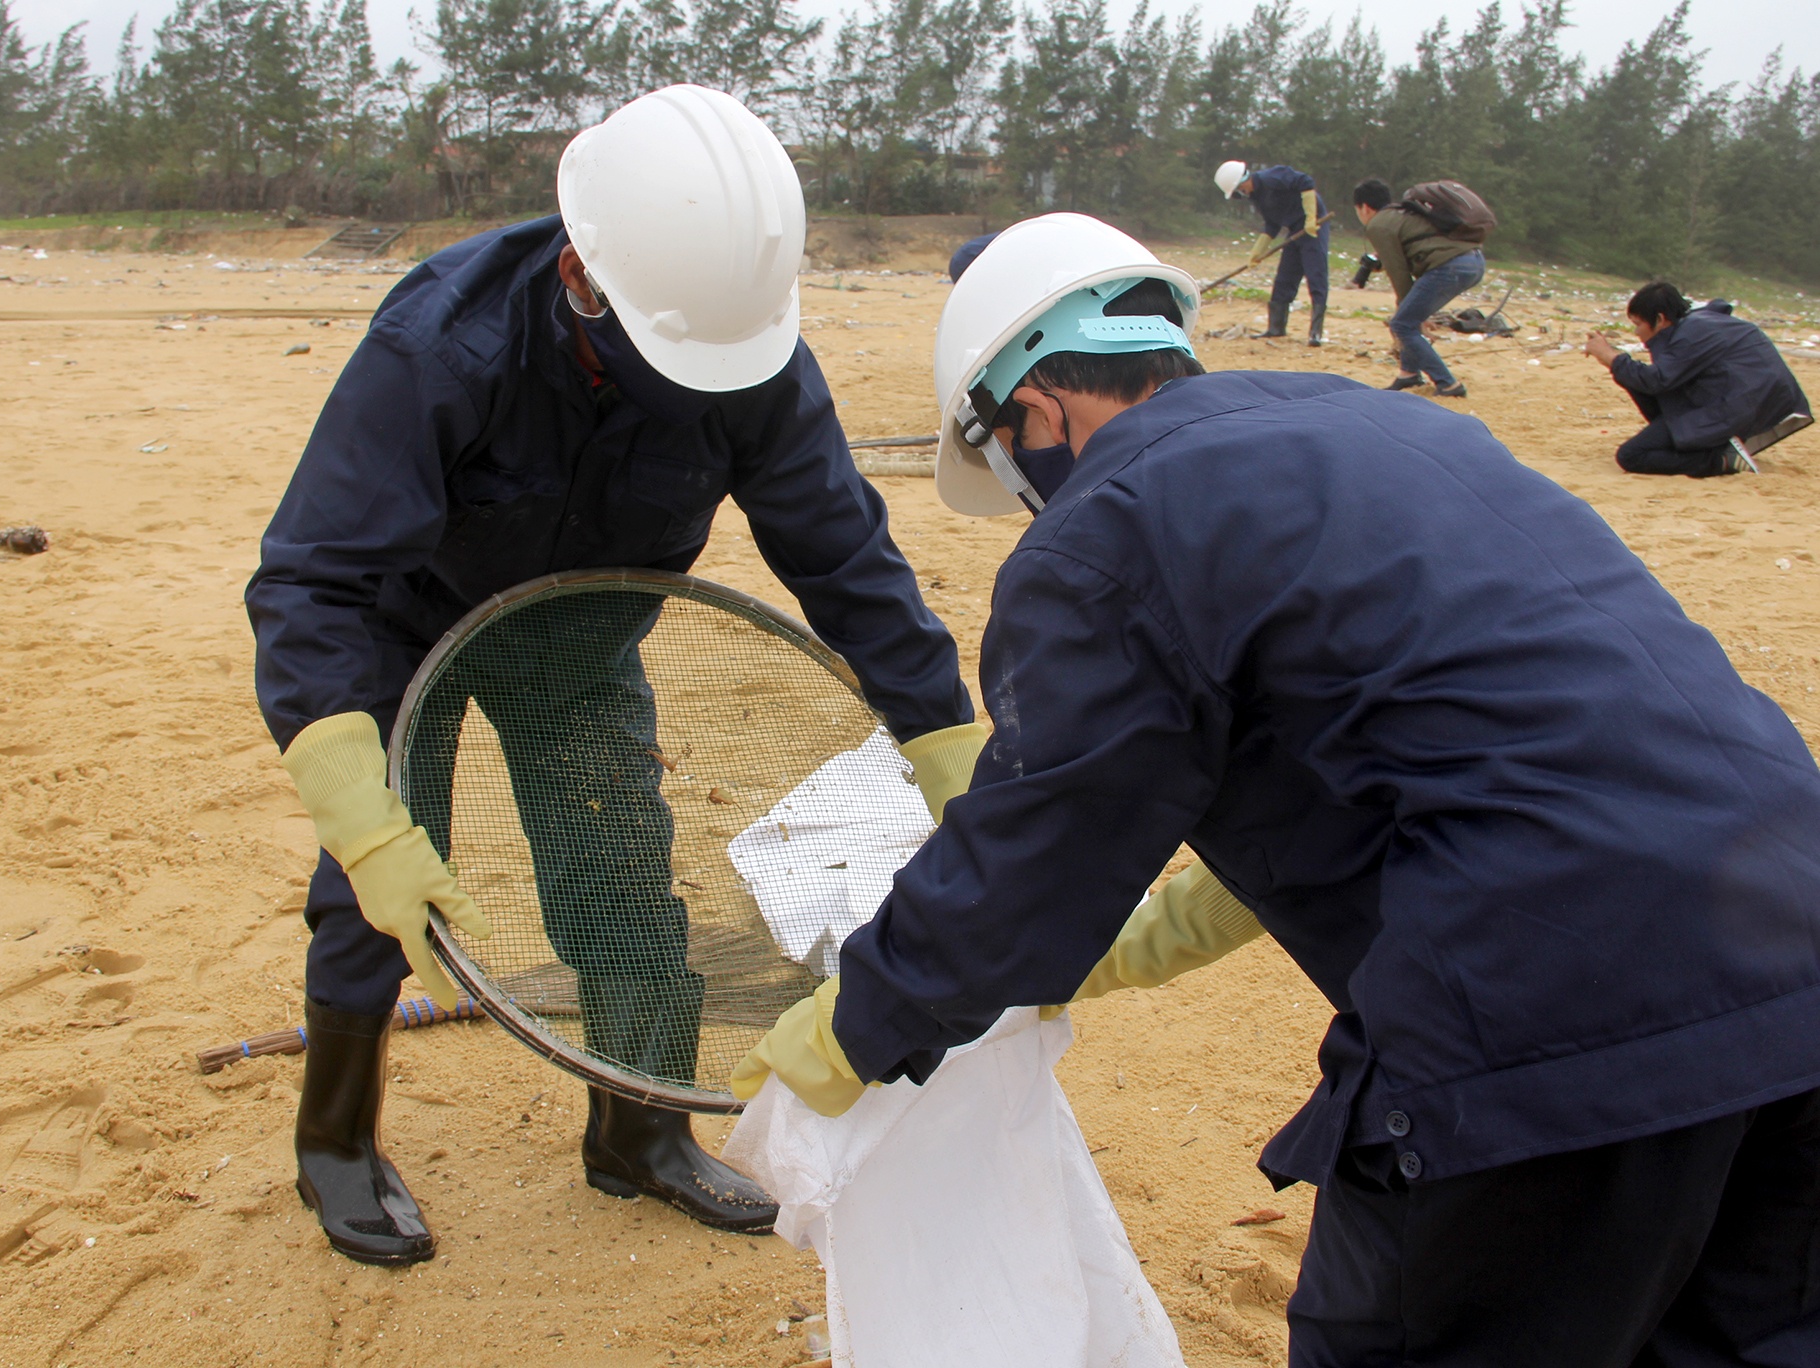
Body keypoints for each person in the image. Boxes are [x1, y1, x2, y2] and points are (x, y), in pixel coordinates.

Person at [736, 211, 1820, 1365]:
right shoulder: (1398, 433)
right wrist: (1122, 943)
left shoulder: (1112, 526)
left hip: (1550, 1015)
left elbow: (1040, 846)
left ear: (1037, 412)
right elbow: (1425, 757)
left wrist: (857, 1026)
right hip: (1790, 957)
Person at [244, 84, 986, 1266]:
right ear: (584, 278)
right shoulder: (441, 348)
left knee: (623, 874)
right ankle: (335, 1142)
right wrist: (358, 809)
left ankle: (635, 1134)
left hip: (583, 633)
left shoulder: (754, 365)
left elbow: (847, 565)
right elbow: (311, 579)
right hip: (404, 622)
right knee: (370, 895)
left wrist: (947, 748)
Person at [1585, 281, 1810, 477]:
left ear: (1660, 319)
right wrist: (1615, 361)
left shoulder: (1692, 334)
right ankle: (1712, 449)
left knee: (1632, 455)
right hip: (1746, 400)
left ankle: (1721, 459)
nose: (1636, 333)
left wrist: (1610, 357)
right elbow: (1656, 380)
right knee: (1636, 380)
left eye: (1638, 324)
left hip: (1740, 406)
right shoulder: (1697, 325)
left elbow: (1657, 380)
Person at [1352, 177, 1482, 399]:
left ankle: (1448, 384)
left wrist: (1408, 306)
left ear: (1364, 207)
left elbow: (1398, 272)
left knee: (1402, 324)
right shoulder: (1402, 213)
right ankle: (1408, 373)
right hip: (1473, 262)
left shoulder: (1379, 224)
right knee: (1408, 320)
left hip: (1449, 267)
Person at [1214, 158, 1329, 346]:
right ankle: (1276, 328)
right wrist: (1257, 251)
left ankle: (1315, 332)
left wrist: (1310, 217)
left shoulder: (1272, 177)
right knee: (1285, 277)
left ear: (1244, 181)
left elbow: (1306, 182)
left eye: (1241, 190)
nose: (1243, 194)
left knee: (1316, 274)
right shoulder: (1258, 197)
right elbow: (1272, 224)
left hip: (1313, 225)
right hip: (1294, 229)